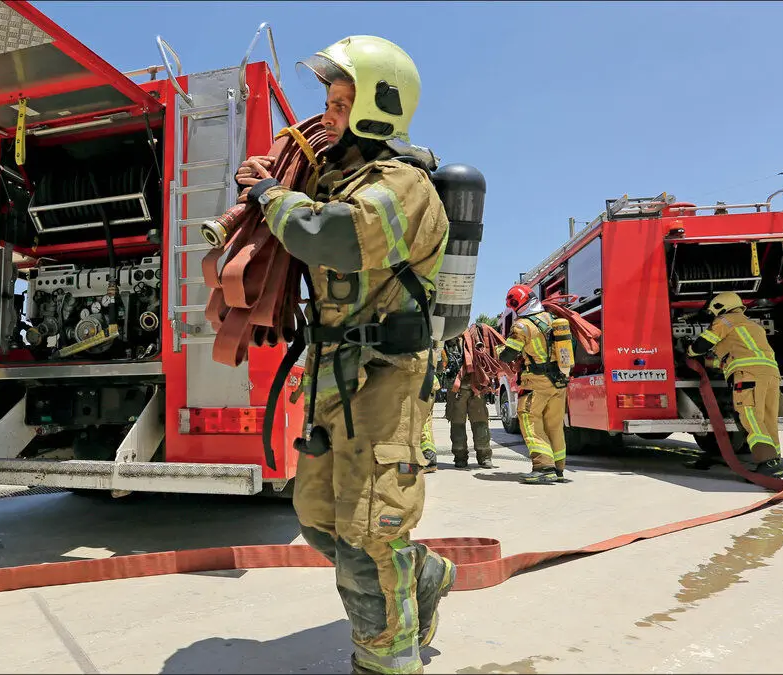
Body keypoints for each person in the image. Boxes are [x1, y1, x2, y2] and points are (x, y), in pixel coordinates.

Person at [236, 35, 454, 674]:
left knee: (369, 530)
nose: (326, 115)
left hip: (386, 379)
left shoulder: (401, 184)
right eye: (327, 101)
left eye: (338, 103)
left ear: (378, 107)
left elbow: (335, 235)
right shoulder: (340, 181)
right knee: (319, 519)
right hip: (333, 378)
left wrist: (270, 197)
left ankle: (386, 661)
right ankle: (425, 577)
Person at [686, 291, 783, 478]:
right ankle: (775, 460)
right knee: (767, 418)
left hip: (748, 374)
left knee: (751, 416)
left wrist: (689, 352)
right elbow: (731, 356)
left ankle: (767, 462)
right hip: (771, 374)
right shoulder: (751, 325)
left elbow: (702, 344)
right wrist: (709, 363)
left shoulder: (724, 321)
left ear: (719, 306)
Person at [495, 286, 572, 484]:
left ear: (515, 305)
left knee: (529, 420)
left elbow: (508, 355)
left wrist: (497, 349)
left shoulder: (522, 326)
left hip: (537, 382)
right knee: (554, 425)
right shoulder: (553, 319)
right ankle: (558, 468)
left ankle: (543, 467)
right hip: (559, 382)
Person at [445, 325, 496, 469]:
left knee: (480, 423)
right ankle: (460, 458)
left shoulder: (475, 336)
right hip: (457, 390)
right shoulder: (447, 338)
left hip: (475, 388)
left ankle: (484, 456)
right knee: (457, 424)